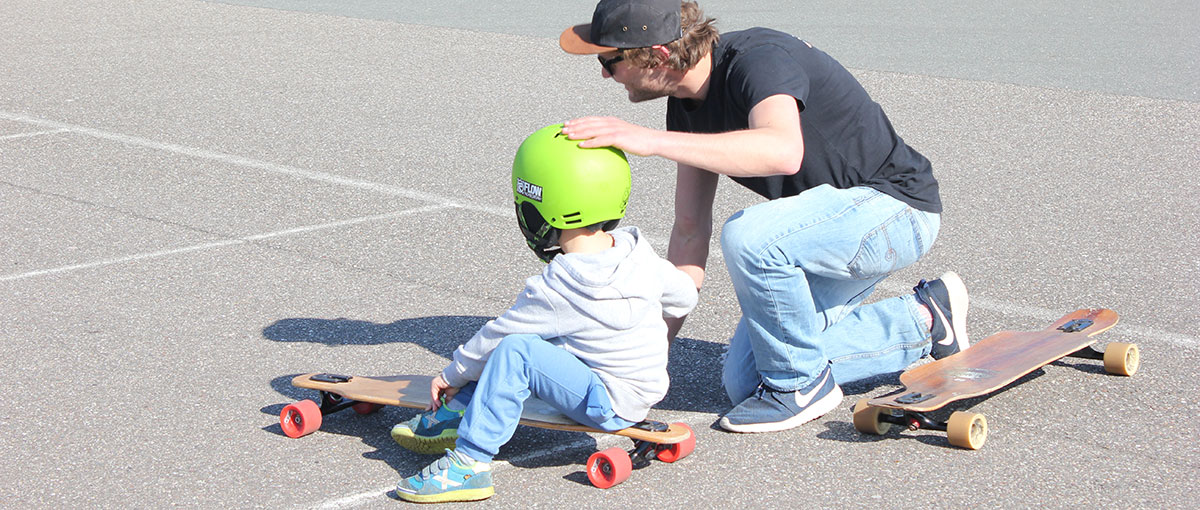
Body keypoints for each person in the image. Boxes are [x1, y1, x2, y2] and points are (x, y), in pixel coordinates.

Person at [557, 0, 970, 434]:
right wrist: (650, 355)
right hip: (827, 237)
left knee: (749, 235)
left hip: (895, 212)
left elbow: (782, 151)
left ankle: (800, 389)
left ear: (658, 55)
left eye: (610, 60)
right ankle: (926, 318)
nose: (604, 73)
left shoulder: (759, 59)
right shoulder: (685, 105)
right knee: (747, 381)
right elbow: (689, 231)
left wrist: (650, 140)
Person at [390, 124, 699, 503]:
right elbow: (684, 298)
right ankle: (463, 412)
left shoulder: (559, 287)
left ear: (542, 207)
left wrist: (451, 374)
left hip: (605, 402)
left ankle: (468, 465)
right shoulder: (639, 254)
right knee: (540, 342)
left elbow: (498, 335)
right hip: (639, 393)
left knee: (514, 350)